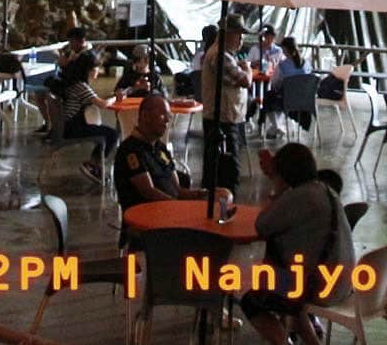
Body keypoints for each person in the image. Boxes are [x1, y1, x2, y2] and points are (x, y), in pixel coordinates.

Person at [240, 143, 356, 345]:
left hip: (320, 286)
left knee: (250, 299)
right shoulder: (325, 190)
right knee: (293, 298)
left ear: (285, 174)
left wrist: (276, 189)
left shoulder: (300, 196)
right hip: (344, 282)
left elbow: (262, 225)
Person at [113, 93, 226, 221]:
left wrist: (203, 194)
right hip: (150, 217)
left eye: (169, 116)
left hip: (171, 210)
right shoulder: (130, 150)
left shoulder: (160, 147)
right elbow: (149, 192)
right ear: (145, 116)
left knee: (222, 195)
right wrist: (181, 208)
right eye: (162, 115)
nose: (167, 121)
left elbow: (178, 190)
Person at [200, 13, 252, 196]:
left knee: (219, 169)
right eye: (239, 34)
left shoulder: (222, 54)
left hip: (225, 118)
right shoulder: (221, 56)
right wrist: (248, 69)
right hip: (222, 121)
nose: (241, 40)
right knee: (228, 172)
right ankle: (223, 208)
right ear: (228, 34)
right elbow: (245, 81)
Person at [59, 49, 118, 184]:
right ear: (89, 70)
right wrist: (115, 98)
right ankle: (93, 164)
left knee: (106, 132)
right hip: (73, 128)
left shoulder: (73, 83)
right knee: (112, 134)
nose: (99, 72)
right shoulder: (81, 86)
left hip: (67, 126)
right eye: (97, 68)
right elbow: (102, 104)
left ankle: (94, 164)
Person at [30, 25, 91, 135]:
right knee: (41, 92)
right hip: (66, 81)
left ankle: (54, 128)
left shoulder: (87, 56)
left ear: (80, 41)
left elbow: (87, 75)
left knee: (50, 97)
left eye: (72, 41)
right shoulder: (72, 52)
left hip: (74, 86)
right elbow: (60, 63)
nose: (70, 44)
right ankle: (49, 125)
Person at [260, 37, 312, 140]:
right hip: (305, 102)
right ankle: (277, 127)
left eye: (283, 50)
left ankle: (276, 126)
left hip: (288, 101)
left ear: (286, 50)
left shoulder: (283, 65)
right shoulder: (307, 64)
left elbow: (275, 83)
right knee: (276, 97)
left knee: (269, 97)